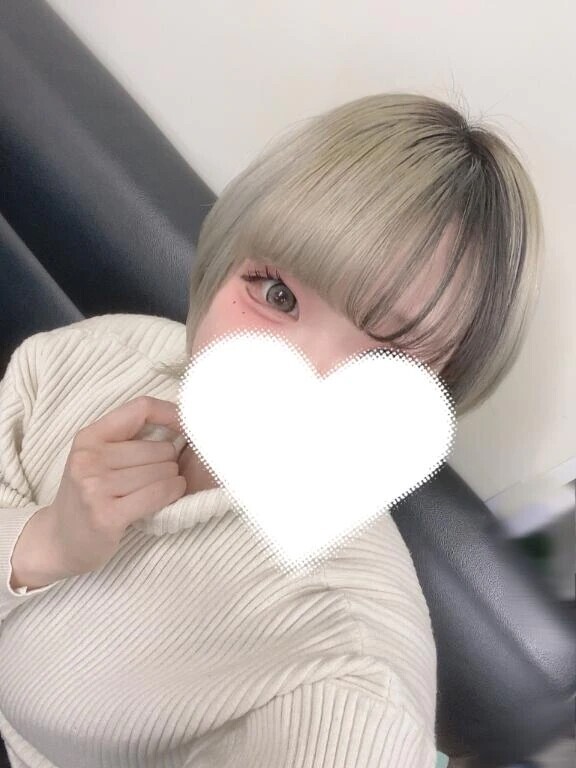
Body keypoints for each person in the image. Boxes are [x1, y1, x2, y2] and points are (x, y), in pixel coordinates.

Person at [0, 92, 543, 768]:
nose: (298, 378)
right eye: (276, 293)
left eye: (387, 361)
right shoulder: (98, 354)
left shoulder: (350, 657)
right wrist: (43, 541)